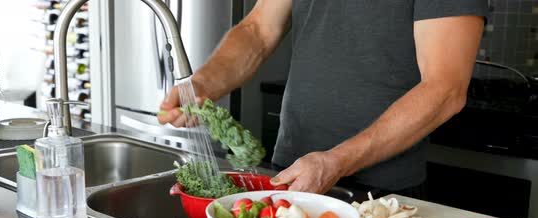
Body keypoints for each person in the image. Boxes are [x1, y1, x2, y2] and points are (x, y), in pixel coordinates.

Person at [158, 0, 487, 198]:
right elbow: (258, 30)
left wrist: (337, 160)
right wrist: (202, 85)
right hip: (291, 173)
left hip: (382, 197)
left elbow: (446, 89)